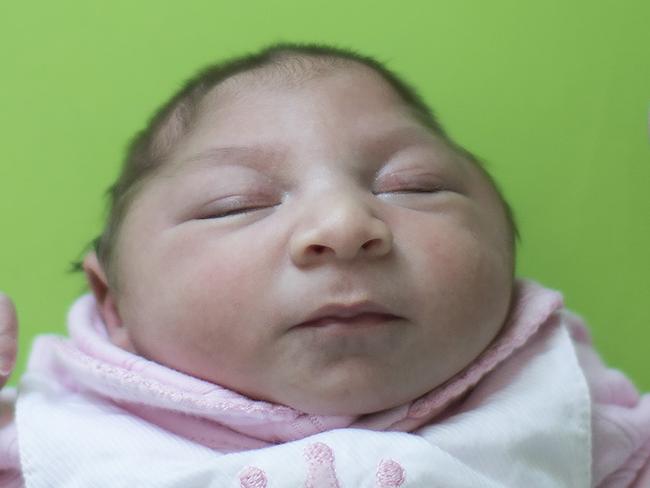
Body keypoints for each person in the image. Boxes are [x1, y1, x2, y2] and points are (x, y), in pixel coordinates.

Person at [0, 43, 648, 487]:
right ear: (113, 302)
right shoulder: (49, 444)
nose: (343, 226)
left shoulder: (579, 417)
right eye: (237, 204)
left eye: (414, 186)